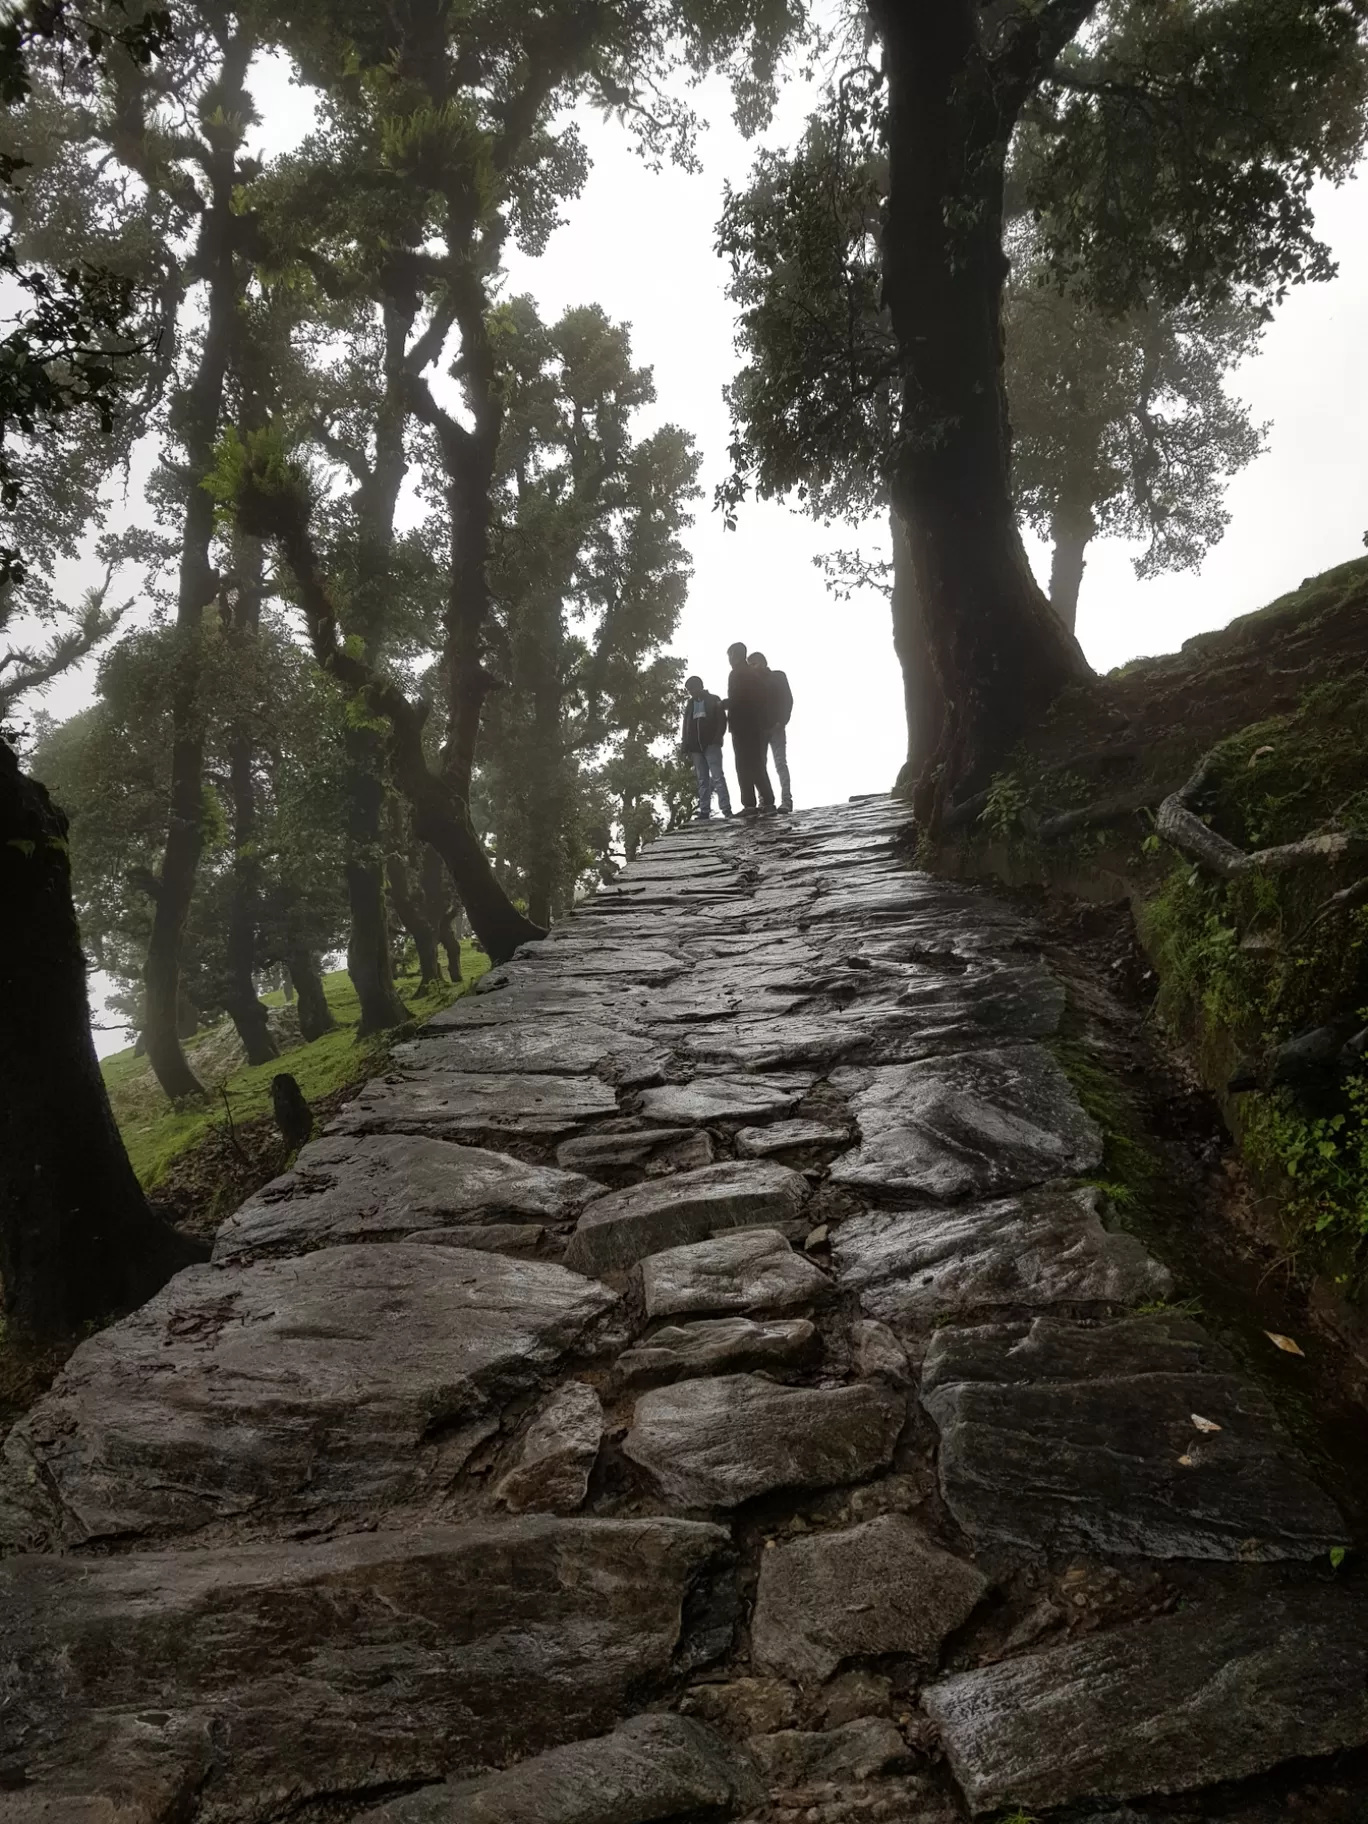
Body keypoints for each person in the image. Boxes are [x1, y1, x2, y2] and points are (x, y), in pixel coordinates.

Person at [724, 641, 775, 815]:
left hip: (741, 725)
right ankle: (768, 801)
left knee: (744, 765)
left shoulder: (737, 674)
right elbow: (763, 698)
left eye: (730, 656)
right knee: (757, 763)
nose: (729, 660)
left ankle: (750, 804)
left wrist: (723, 704)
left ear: (736, 655)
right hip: (754, 725)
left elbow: (737, 698)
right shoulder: (754, 675)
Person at [679, 674, 731, 820]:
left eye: (692, 688)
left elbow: (722, 720)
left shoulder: (713, 699)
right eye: (689, 690)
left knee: (717, 776)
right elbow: (686, 726)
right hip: (695, 748)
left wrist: (717, 738)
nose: (691, 692)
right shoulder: (690, 704)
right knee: (702, 780)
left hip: (711, 745)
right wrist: (685, 747)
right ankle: (704, 811)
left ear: (700, 686)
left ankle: (726, 809)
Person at [747, 650, 793, 813]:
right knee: (760, 767)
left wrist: (782, 721)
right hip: (759, 731)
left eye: (754, 664)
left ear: (763, 662)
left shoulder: (778, 676)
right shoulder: (751, 683)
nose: (752, 667)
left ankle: (786, 800)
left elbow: (787, 699)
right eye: (750, 665)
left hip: (776, 727)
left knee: (780, 763)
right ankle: (764, 802)